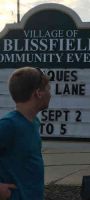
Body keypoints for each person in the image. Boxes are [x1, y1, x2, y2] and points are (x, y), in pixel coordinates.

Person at [0, 67, 51, 200]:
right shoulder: (8, 125)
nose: (50, 94)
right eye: (48, 89)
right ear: (38, 93)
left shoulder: (34, 122)